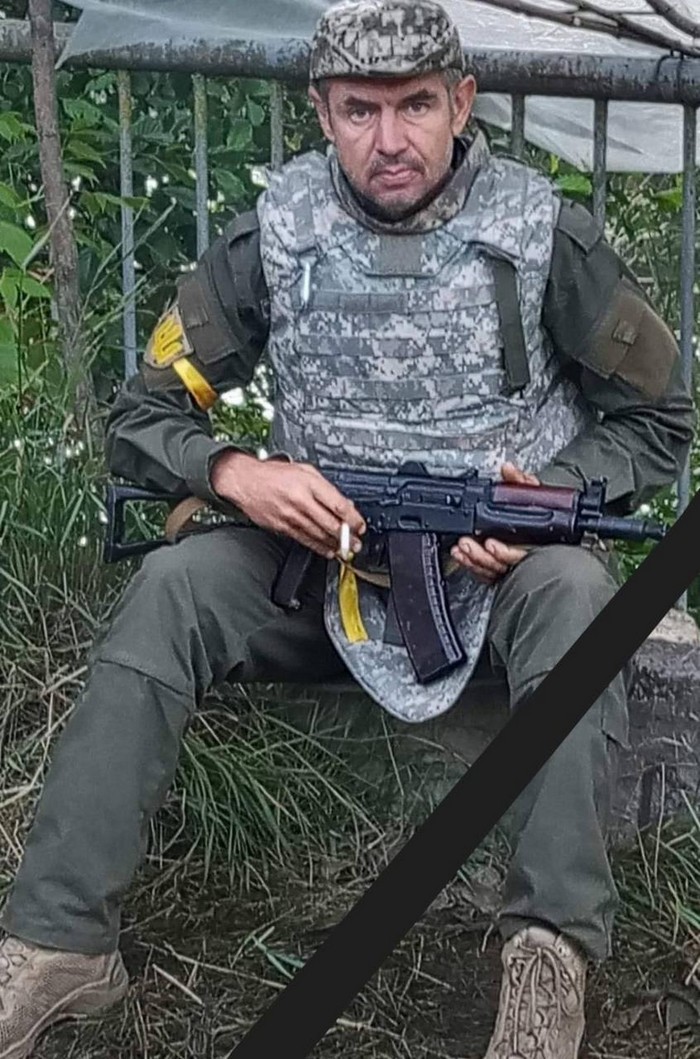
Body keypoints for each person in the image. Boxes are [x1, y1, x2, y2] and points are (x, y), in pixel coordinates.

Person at [0, 1, 694, 1056]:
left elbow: (657, 420)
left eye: (415, 105)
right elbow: (146, 412)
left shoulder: (543, 235)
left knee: (580, 598)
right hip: (313, 562)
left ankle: (548, 957)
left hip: (500, 571)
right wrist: (239, 473)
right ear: (322, 113)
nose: (389, 137)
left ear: (462, 103)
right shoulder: (275, 234)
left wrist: (545, 497)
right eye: (360, 110)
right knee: (171, 589)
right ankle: (59, 943)